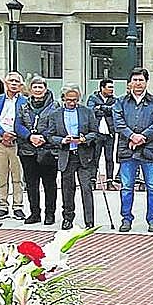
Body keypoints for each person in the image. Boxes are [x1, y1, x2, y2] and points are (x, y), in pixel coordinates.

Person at [112, 68, 153, 233]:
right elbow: (118, 122)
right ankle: (126, 219)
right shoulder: (121, 102)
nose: (138, 83)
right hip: (127, 149)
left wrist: (143, 137)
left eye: (141, 80)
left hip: (149, 149)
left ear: (146, 82)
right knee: (127, 187)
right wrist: (132, 136)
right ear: (130, 82)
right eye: (135, 80)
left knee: (152, 187)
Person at [47, 83, 98, 230]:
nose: (72, 102)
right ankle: (68, 218)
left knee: (86, 188)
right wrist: (62, 140)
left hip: (83, 155)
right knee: (67, 189)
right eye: (69, 100)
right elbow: (50, 135)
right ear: (63, 98)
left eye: (75, 100)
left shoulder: (86, 112)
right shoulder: (55, 114)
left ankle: (89, 220)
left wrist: (84, 139)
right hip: (67, 155)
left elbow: (95, 132)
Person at [15, 75, 58, 224]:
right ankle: (34, 213)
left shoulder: (55, 106)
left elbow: (56, 125)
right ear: (30, 89)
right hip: (27, 150)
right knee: (31, 184)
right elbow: (18, 125)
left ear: (45, 89)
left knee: (49, 184)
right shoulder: (23, 106)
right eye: (35, 87)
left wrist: (43, 137)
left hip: (47, 150)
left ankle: (50, 213)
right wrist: (30, 137)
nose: (38, 90)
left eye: (41, 87)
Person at [0, 71, 26, 220]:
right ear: (6, 83)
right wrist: (3, 133)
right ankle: (2, 205)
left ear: (21, 85)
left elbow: (25, 121)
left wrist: (14, 134)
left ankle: (18, 206)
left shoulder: (25, 102)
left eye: (17, 81)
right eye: (11, 81)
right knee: (2, 176)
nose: (14, 84)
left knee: (17, 176)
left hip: (17, 142)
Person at [87, 78, 118, 189]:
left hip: (109, 133)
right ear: (102, 88)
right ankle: (92, 180)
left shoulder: (114, 100)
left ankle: (109, 181)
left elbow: (115, 111)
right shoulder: (93, 98)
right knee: (95, 157)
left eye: (112, 87)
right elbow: (90, 111)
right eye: (109, 87)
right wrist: (106, 111)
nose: (111, 89)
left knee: (109, 158)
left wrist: (100, 107)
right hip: (97, 133)